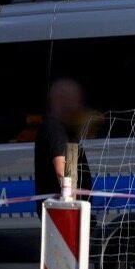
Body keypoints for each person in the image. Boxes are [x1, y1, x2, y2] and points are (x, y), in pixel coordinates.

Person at [33, 78, 92, 209]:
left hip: (65, 209)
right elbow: (62, 171)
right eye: (74, 98)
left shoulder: (64, 127)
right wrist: (72, 206)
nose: (78, 103)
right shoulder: (56, 128)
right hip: (63, 211)